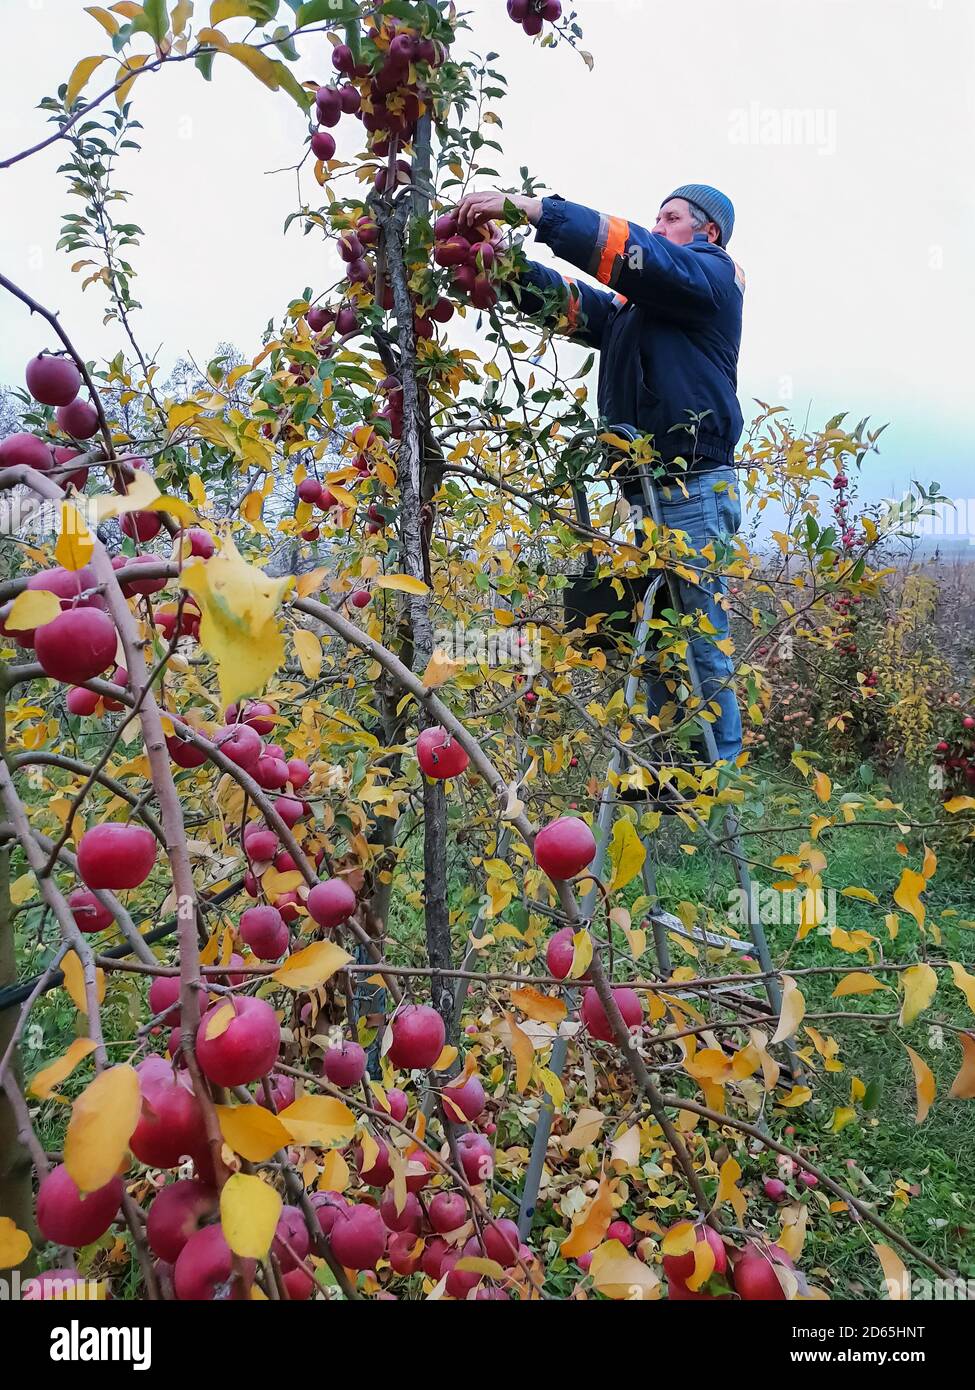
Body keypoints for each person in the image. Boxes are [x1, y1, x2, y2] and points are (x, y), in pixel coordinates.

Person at [455, 185, 745, 761]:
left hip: (691, 488)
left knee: (698, 636)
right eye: (656, 217)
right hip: (650, 493)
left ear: (708, 232)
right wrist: (505, 267)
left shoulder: (713, 278)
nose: (657, 225)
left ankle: (723, 774)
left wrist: (537, 209)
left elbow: (644, 257)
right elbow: (574, 305)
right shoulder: (637, 308)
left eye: (672, 217)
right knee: (660, 636)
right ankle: (673, 767)